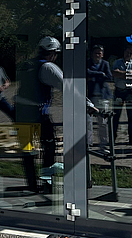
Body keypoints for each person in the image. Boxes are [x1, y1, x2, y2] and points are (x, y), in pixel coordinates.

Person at [17, 36, 97, 189]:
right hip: (37, 113)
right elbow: (68, 88)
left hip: (21, 111)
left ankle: (32, 184)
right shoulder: (48, 67)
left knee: (27, 151)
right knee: (49, 147)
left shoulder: (28, 65)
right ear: (53, 53)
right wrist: (88, 104)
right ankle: (47, 182)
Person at [86, 44, 113, 151]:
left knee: (103, 122)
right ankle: (89, 143)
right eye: (96, 53)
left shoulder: (105, 63)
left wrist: (95, 76)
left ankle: (103, 144)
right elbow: (86, 72)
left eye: (99, 53)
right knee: (88, 122)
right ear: (92, 54)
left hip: (103, 96)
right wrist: (100, 74)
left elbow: (109, 77)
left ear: (102, 54)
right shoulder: (88, 63)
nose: (97, 55)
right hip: (91, 95)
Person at [112, 46, 132, 146]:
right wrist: (128, 73)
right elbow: (114, 73)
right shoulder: (117, 62)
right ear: (124, 52)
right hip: (119, 91)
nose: (129, 54)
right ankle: (112, 138)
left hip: (130, 92)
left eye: (131, 52)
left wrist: (122, 73)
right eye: (127, 52)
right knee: (115, 116)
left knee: (131, 116)